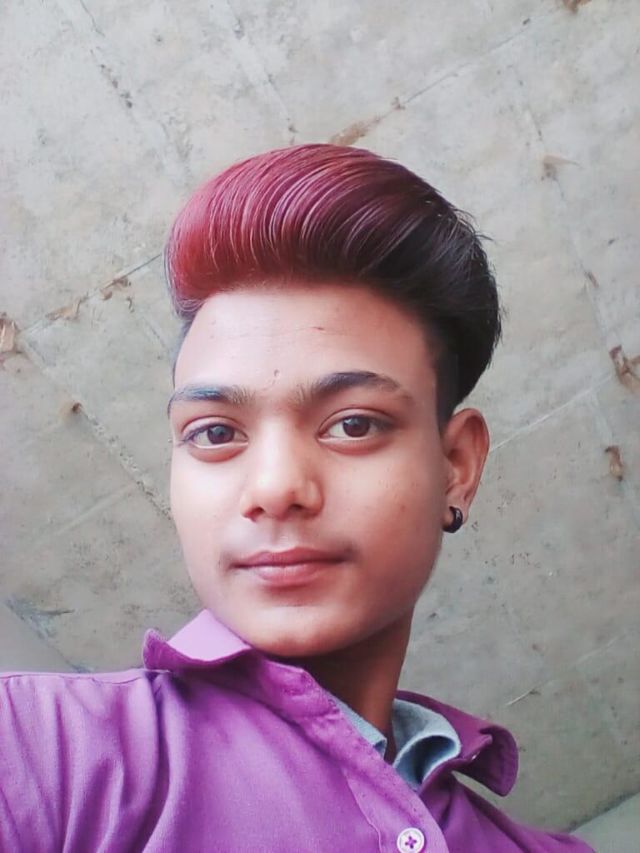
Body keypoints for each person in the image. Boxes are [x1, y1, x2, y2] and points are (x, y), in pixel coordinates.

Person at [1, 144, 592, 852]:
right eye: (215, 432)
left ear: (457, 466)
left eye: (354, 424)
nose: (275, 488)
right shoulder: (38, 753)